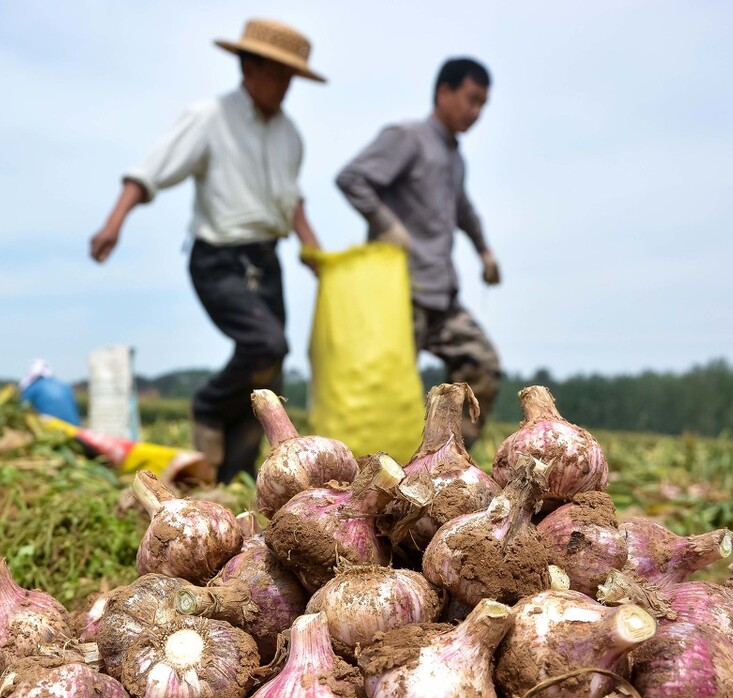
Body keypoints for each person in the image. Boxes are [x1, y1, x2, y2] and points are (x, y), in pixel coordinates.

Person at [90, 19, 324, 484]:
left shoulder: (290, 136)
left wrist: (312, 247)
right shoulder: (210, 117)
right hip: (218, 257)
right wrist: (114, 222)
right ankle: (209, 405)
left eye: (290, 78)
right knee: (266, 344)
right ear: (247, 65)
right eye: (276, 73)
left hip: (265, 260)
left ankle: (230, 483)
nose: (284, 86)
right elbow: (150, 170)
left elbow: (291, 198)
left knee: (269, 378)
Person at [336, 57, 501, 446]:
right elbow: (352, 177)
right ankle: (372, 478)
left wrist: (485, 251)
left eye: (483, 105)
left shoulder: (455, 157)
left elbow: (463, 209)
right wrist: (386, 224)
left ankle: (447, 464)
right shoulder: (407, 137)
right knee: (386, 392)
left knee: (483, 367)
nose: (476, 112)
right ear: (444, 92)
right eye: (471, 99)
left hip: (440, 292)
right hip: (398, 294)